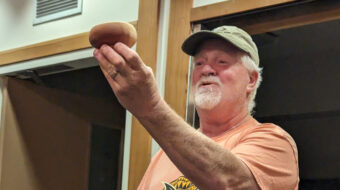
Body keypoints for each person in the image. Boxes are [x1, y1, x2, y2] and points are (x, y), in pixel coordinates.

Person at [93, 25, 299, 190]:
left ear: (251, 80)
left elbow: (229, 183)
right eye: (199, 63)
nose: (207, 70)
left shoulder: (274, 142)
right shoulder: (167, 153)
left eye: (221, 61)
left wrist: (151, 108)